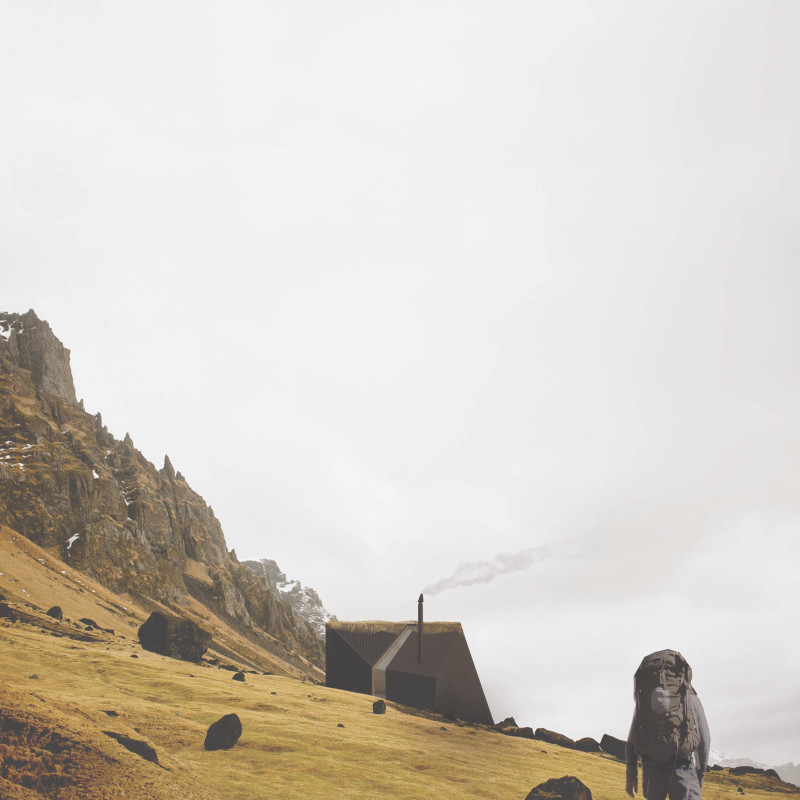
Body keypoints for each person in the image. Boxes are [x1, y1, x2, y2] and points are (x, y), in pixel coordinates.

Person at [625, 650, 710, 800]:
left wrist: (631, 776)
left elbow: (632, 740)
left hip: (651, 772)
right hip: (682, 769)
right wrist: (699, 776)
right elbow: (705, 740)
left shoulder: (645, 701)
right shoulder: (690, 698)